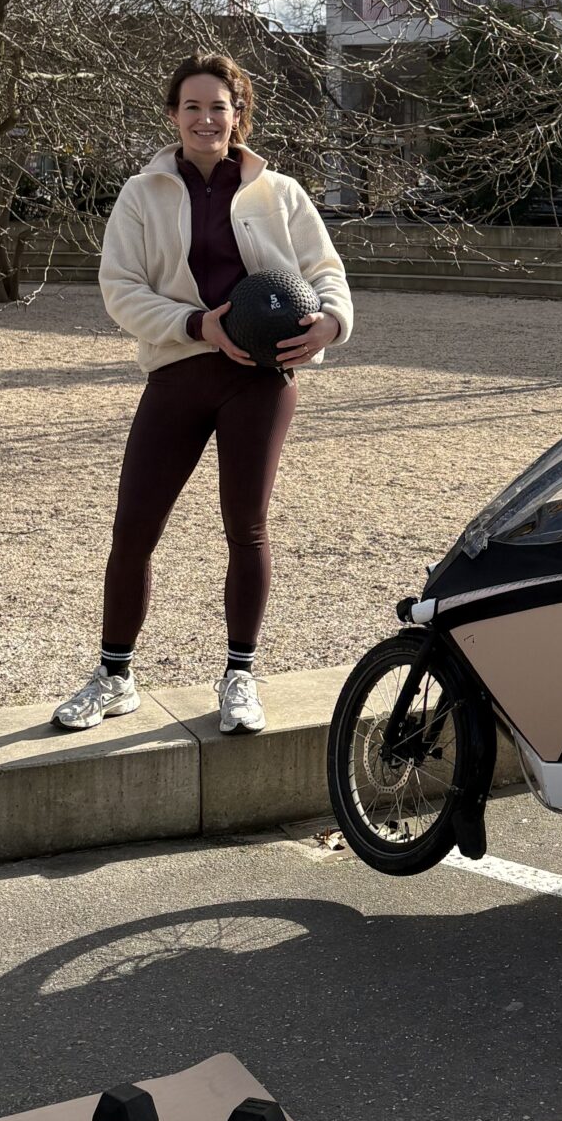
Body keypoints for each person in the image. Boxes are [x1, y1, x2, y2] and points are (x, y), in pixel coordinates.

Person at [53, 53, 352, 738]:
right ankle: (115, 676)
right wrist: (197, 324)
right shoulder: (141, 194)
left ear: (238, 114)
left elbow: (325, 271)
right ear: (173, 115)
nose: (206, 119)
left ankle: (239, 677)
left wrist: (333, 322)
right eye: (192, 106)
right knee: (134, 528)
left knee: (246, 527)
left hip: (260, 382)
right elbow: (120, 289)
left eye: (219, 106)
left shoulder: (281, 192)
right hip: (180, 372)